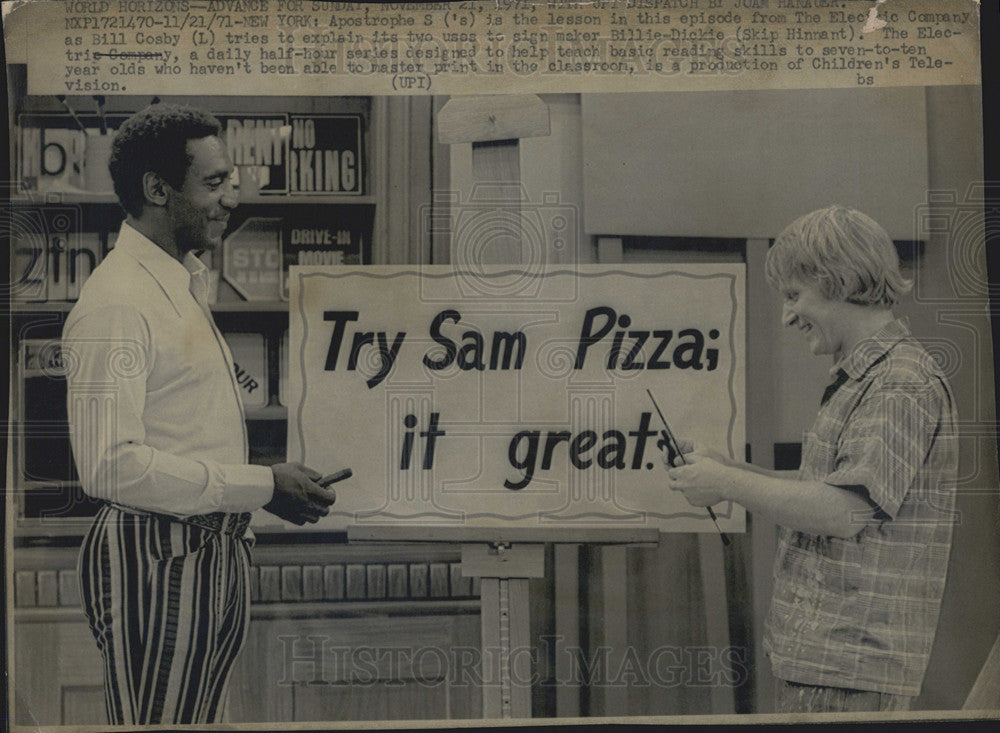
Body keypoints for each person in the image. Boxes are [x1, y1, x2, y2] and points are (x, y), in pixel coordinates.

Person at [63, 104, 336, 725]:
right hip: (160, 555)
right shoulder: (118, 301)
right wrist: (261, 484)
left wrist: (257, 487)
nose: (229, 199)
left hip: (201, 552)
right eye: (213, 183)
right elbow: (108, 467)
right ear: (157, 190)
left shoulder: (176, 282)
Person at [665, 206, 958, 713]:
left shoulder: (900, 383)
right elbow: (825, 490)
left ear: (838, 281)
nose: (786, 316)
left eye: (794, 296)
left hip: (849, 671)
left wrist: (729, 484)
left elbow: (841, 512)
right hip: (827, 664)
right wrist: (726, 473)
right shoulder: (866, 378)